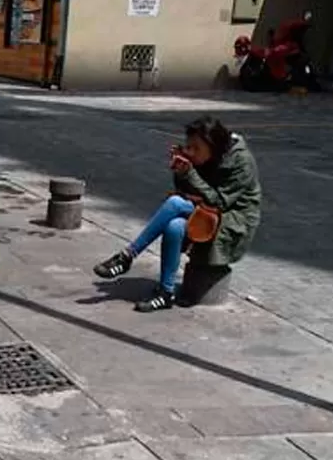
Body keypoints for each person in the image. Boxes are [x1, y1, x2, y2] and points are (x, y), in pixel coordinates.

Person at [92, 116, 262, 313]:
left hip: (233, 219)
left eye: (196, 148)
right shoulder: (207, 156)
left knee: (175, 203)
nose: (191, 152)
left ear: (213, 145)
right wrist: (180, 170)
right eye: (189, 146)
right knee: (174, 227)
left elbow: (220, 201)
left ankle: (127, 255)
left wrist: (190, 174)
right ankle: (166, 292)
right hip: (205, 208)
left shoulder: (241, 161)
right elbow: (187, 191)